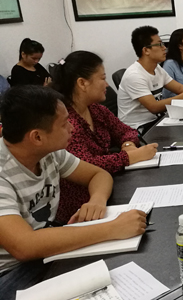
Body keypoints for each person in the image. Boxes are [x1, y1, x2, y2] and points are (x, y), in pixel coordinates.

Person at [0, 86, 147, 294]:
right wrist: (112, 228)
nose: (72, 128)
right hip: (12, 272)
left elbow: (98, 175)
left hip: (45, 253)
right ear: (37, 137)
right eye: (64, 124)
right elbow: (24, 246)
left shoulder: (49, 153)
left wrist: (96, 200)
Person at [52, 51, 159, 223]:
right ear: (82, 83)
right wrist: (129, 157)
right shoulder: (67, 123)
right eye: (102, 78)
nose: (107, 85)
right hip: (82, 209)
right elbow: (87, 166)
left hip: (108, 189)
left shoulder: (96, 110)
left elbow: (126, 131)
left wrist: (128, 145)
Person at [118, 26, 183, 131]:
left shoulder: (157, 69)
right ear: (146, 50)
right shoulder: (134, 75)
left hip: (156, 121)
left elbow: (179, 88)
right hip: (137, 128)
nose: (164, 48)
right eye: (159, 44)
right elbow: (154, 107)